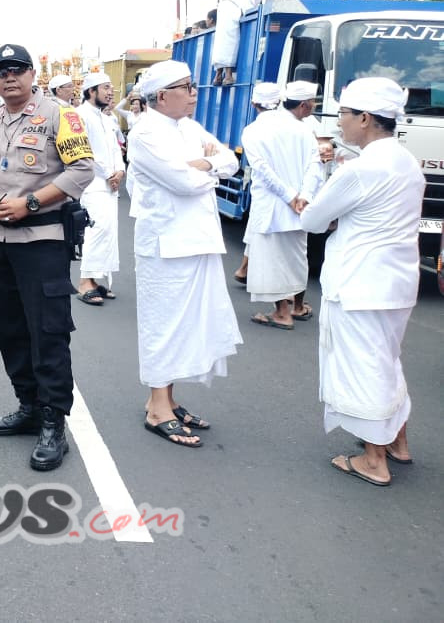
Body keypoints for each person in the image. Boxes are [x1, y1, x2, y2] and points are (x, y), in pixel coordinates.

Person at [0, 44, 95, 471]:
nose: (10, 77)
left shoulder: (61, 115)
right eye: (2, 71)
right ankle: (28, 405)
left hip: (42, 240)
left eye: (18, 69)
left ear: (32, 74)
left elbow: (82, 170)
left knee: (49, 332)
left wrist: (32, 204)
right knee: (9, 328)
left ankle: (53, 422)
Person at [300, 78, 424, 487]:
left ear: (365, 118)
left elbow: (312, 220)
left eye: (344, 115)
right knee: (386, 361)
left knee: (363, 366)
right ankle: (397, 443)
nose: (340, 125)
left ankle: (374, 460)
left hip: (358, 282)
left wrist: (319, 207)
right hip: (396, 282)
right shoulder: (406, 161)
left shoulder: (360, 169)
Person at [127, 60, 242, 447]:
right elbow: (184, 183)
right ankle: (157, 408)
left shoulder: (190, 127)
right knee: (163, 325)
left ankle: (167, 400)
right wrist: (208, 168)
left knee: (190, 324)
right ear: (162, 96)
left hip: (199, 240)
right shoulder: (145, 133)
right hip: (166, 245)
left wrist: (204, 163)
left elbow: (232, 161)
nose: (194, 92)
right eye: (186, 86)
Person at [241, 80, 323, 329]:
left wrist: (289, 196)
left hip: (274, 206)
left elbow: (263, 171)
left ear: (254, 103)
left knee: (272, 260)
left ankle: (281, 314)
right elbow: (315, 165)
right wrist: (304, 196)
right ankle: (298, 307)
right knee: (298, 258)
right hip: (299, 207)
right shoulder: (303, 129)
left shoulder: (253, 131)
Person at [74, 72, 126, 305]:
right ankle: (85, 282)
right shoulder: (79, 116)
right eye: (105, 87)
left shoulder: (107, 118)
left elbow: (116, 150)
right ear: (91, 91)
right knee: (96, 230)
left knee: (109, 232)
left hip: (109, 183)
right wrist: (108, 175)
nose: (110, 91)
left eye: (110, 87)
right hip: (92, 183)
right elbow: (83, 152)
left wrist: (120, 171)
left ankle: (95, 280)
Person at [233, 81, 282, 285]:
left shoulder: (251, 130)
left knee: (257, 228)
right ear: (279, 102)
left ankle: (245, 269)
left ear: (253, 104)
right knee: (277, 239)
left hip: (264, 189)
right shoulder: (296, 128)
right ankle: (284, 299)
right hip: (284, 191)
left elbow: (260, 166)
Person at [212, 0, 285, 85]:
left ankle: (218, 76)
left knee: (222, 41)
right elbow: (271, 1)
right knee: (232, 41)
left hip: (226, 5)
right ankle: (228, 76)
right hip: (235, 6)